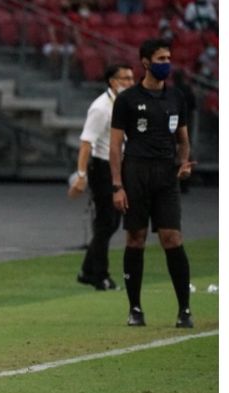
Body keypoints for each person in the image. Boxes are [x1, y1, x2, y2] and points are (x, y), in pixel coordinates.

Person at [109, 38, 195, 328]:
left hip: (165, 175)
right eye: (160, 59)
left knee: (172, 238)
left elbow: (182, 138)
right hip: (136, 173)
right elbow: (115, 145)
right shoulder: (128, 100)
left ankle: (184, 310)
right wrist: (118, 186)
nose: (166, 63)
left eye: (168, 58)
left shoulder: (176, 98)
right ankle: (135, 309)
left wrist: (183, 163)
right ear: (145, 62)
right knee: (136, 238)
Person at [71, 64, 134, 291]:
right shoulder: (100, 108)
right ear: (112, 81)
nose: (129, 82)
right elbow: (87, 142)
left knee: (109, 223)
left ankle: (89, 271)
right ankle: (99, 274)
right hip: (103, 168)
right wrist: (81, 175)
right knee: (107, 222)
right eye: (124, 78)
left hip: (118, 166)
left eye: (131, 78)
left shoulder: (125, 104)